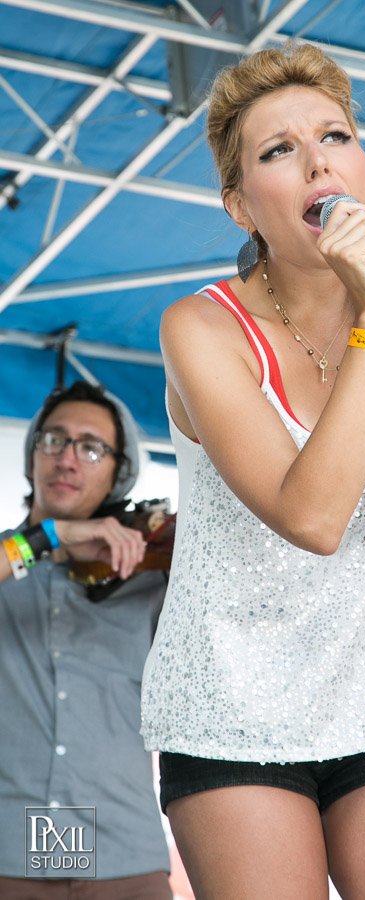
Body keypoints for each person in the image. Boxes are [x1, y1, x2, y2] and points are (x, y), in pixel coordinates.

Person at [141, 42, 365, 900]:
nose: (317, 159)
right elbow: (316, 518)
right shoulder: (201, 329)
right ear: (240, 209)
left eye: (333, 135)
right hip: (231, 702)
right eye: (278, 150)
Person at [0, 380, 172, 899]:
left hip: (125, 858)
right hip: (9, 856)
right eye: (54, 440)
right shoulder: (8, 565)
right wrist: (50, 535)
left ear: (119, 473)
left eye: (91, 447)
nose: (68, 459)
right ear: (33, 454)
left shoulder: (149, 574)